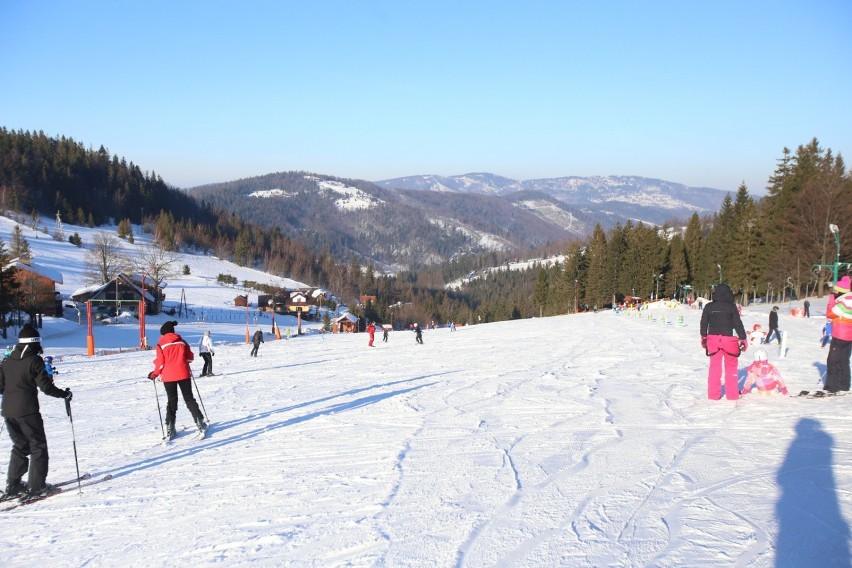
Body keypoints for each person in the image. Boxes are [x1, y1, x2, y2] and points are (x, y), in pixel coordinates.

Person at [0, 323, 72, 501]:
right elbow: (46, 387)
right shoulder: (34, 360)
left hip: (8, 410)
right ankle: (37, 486)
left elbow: (1, 386)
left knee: (20, 446)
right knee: (38, 446)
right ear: (35, 343)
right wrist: (64, 394)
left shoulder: (7, 359)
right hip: (27, 410)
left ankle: (14, 485)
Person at [148, 321, 206, 439]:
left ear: (164, 333)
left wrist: (154, 374)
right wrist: (183, 362)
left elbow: (160, 363)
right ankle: (200, 422)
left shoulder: (160, 345)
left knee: (172, 401)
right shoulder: (182, 341)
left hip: (168, 377)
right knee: (189, 399)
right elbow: (190, 357)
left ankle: (170, 427)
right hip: (183, 373)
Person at [700, 283, 747, 400]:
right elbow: (738, 324)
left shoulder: (708, 307)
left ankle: (713, 395)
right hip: (729, 340)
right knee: (731, 366)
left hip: (713, 339)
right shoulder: (731, 307)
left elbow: (703, 323)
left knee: (714, 367)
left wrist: (704, 337)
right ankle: (732, 394)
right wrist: (743, 339)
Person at [825, 276, 852, 393]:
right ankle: (844, 385)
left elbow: (831, 314)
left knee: (832, 360)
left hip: (840, 335)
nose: (834, 293)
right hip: (849, 336)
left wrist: (831, 300)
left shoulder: (844, 301)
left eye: (836, 291)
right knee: (844, 360)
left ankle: (833, 386)